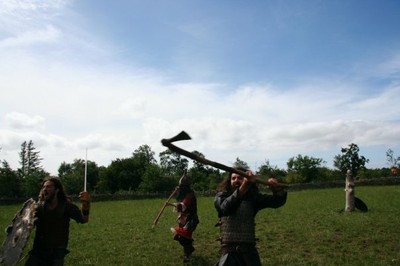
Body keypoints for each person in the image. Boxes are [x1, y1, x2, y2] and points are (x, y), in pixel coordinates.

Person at [214, 167, 287, 266]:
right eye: (233, 178)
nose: (236, 180)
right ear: (229, 181)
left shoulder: (253, 197)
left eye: (240, 178)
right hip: (229, 253)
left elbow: (276, 202)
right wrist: (244, 186)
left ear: (245, 180)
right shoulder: (221, 197)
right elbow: (226, 208)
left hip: (249, 253)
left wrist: (277, 190)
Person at [25, 177, 91, 266]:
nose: (45, 189)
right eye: (43, 187)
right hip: (38, 251)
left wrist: (86, 205)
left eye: (48, 187)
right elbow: (27, 226)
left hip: (56, 252)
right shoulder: (38, 208)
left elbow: (84, 219)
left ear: (57, 190)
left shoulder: (66, 206)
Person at [166, 172, 199, 263]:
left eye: (183, 187)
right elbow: (180, 200)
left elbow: (183, 205)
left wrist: (170, 204)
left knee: (185, 237)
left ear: (187, 187)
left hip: (191, 219)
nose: (182, 188)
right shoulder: (183, 193)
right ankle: (190, 249)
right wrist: (177, 192)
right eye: (181, 186)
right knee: (182, 237)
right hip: (183, 219)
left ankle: (186, 255)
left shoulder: (190, 194)